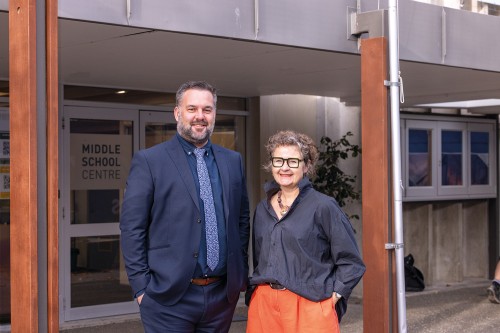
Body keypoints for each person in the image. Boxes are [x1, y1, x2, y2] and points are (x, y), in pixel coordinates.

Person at [119, 80, 250, 332]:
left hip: (221, 296)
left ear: (214, 114)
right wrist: (141, 288)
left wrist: (239, 273)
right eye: (192, 109)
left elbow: (241, 220)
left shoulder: (233, 161)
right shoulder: (150, 161)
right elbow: (132, 227)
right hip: (168, 298)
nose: (200, 116)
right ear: (177, 113)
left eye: (207, 110)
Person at [246, 130, 366, 333]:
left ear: (306, 165)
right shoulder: (262, 209)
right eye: (278, 161)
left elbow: (351, 262)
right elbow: (260, 259)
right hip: (264, 305)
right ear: (271, 165)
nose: (284, 167)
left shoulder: (323, 206)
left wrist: (332, 298)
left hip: (310, 303)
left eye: (293, 161)